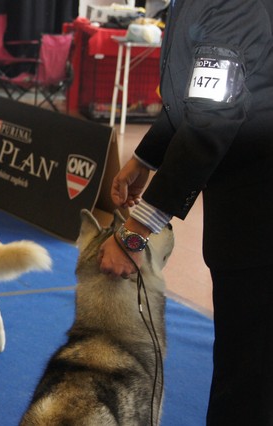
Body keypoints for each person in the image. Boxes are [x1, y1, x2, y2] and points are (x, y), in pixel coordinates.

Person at [98, 0, 273, 424]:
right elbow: (194, 92)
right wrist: (146, 157)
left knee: (247, 373)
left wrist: (136, 231)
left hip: (258, 205)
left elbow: (212, 117)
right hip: (243, 195)